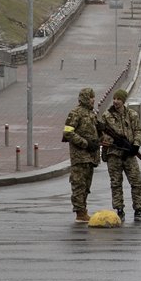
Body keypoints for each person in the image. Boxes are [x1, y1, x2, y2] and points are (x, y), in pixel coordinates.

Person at [99, 89, 141, 222]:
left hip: (129, 154)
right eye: (114, 99)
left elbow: (138, 130)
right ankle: (119, 209)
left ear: (123, 101)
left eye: (118, 99)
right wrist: (111, 142)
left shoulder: (132, 114)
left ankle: (138, 209)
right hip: (113, 154)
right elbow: (100, 134)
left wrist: (136, 145)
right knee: (116, 183)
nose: (115, 101)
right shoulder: (106, 116)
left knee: (136, 182)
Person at [62, 87, 101, 222]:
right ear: (85, 98)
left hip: (91, 156)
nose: (93, 99)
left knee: (86, 185)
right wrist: (85, 143)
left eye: (93, 97)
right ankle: (80, 212)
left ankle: (83, 209)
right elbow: (68, 132)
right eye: (90, 97)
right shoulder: (75, 113)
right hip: (79, 156)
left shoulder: (92, 113)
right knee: (79, 184)